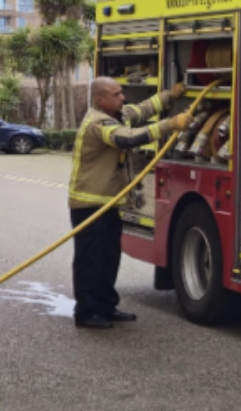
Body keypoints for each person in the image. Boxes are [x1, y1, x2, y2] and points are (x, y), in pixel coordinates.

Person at [69, 78, 191, 329]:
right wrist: (170, 124)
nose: (122, 97)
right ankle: (86, 312)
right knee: (91, 261)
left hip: (109, 204)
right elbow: (127, 139)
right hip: (90, 206)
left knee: (109, 258)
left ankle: (105, 306)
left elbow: (143, 109)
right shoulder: (97, 122)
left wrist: (170, 95)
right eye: (116, 94)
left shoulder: (118, 114)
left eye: (121, 93)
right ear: (100, 99)